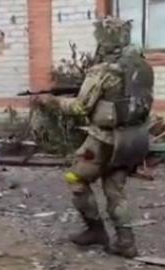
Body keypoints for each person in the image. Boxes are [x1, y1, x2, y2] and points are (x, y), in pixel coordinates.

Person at [44, 17, 154, 258]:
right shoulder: (143, 67)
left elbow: (80, 108)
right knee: (115, 190)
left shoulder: (104, 70)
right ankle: (126, 242)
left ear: (103, 40)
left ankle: (96, 231)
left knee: (75, 178)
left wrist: (53, 102)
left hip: (103, 139)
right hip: (133, 139)